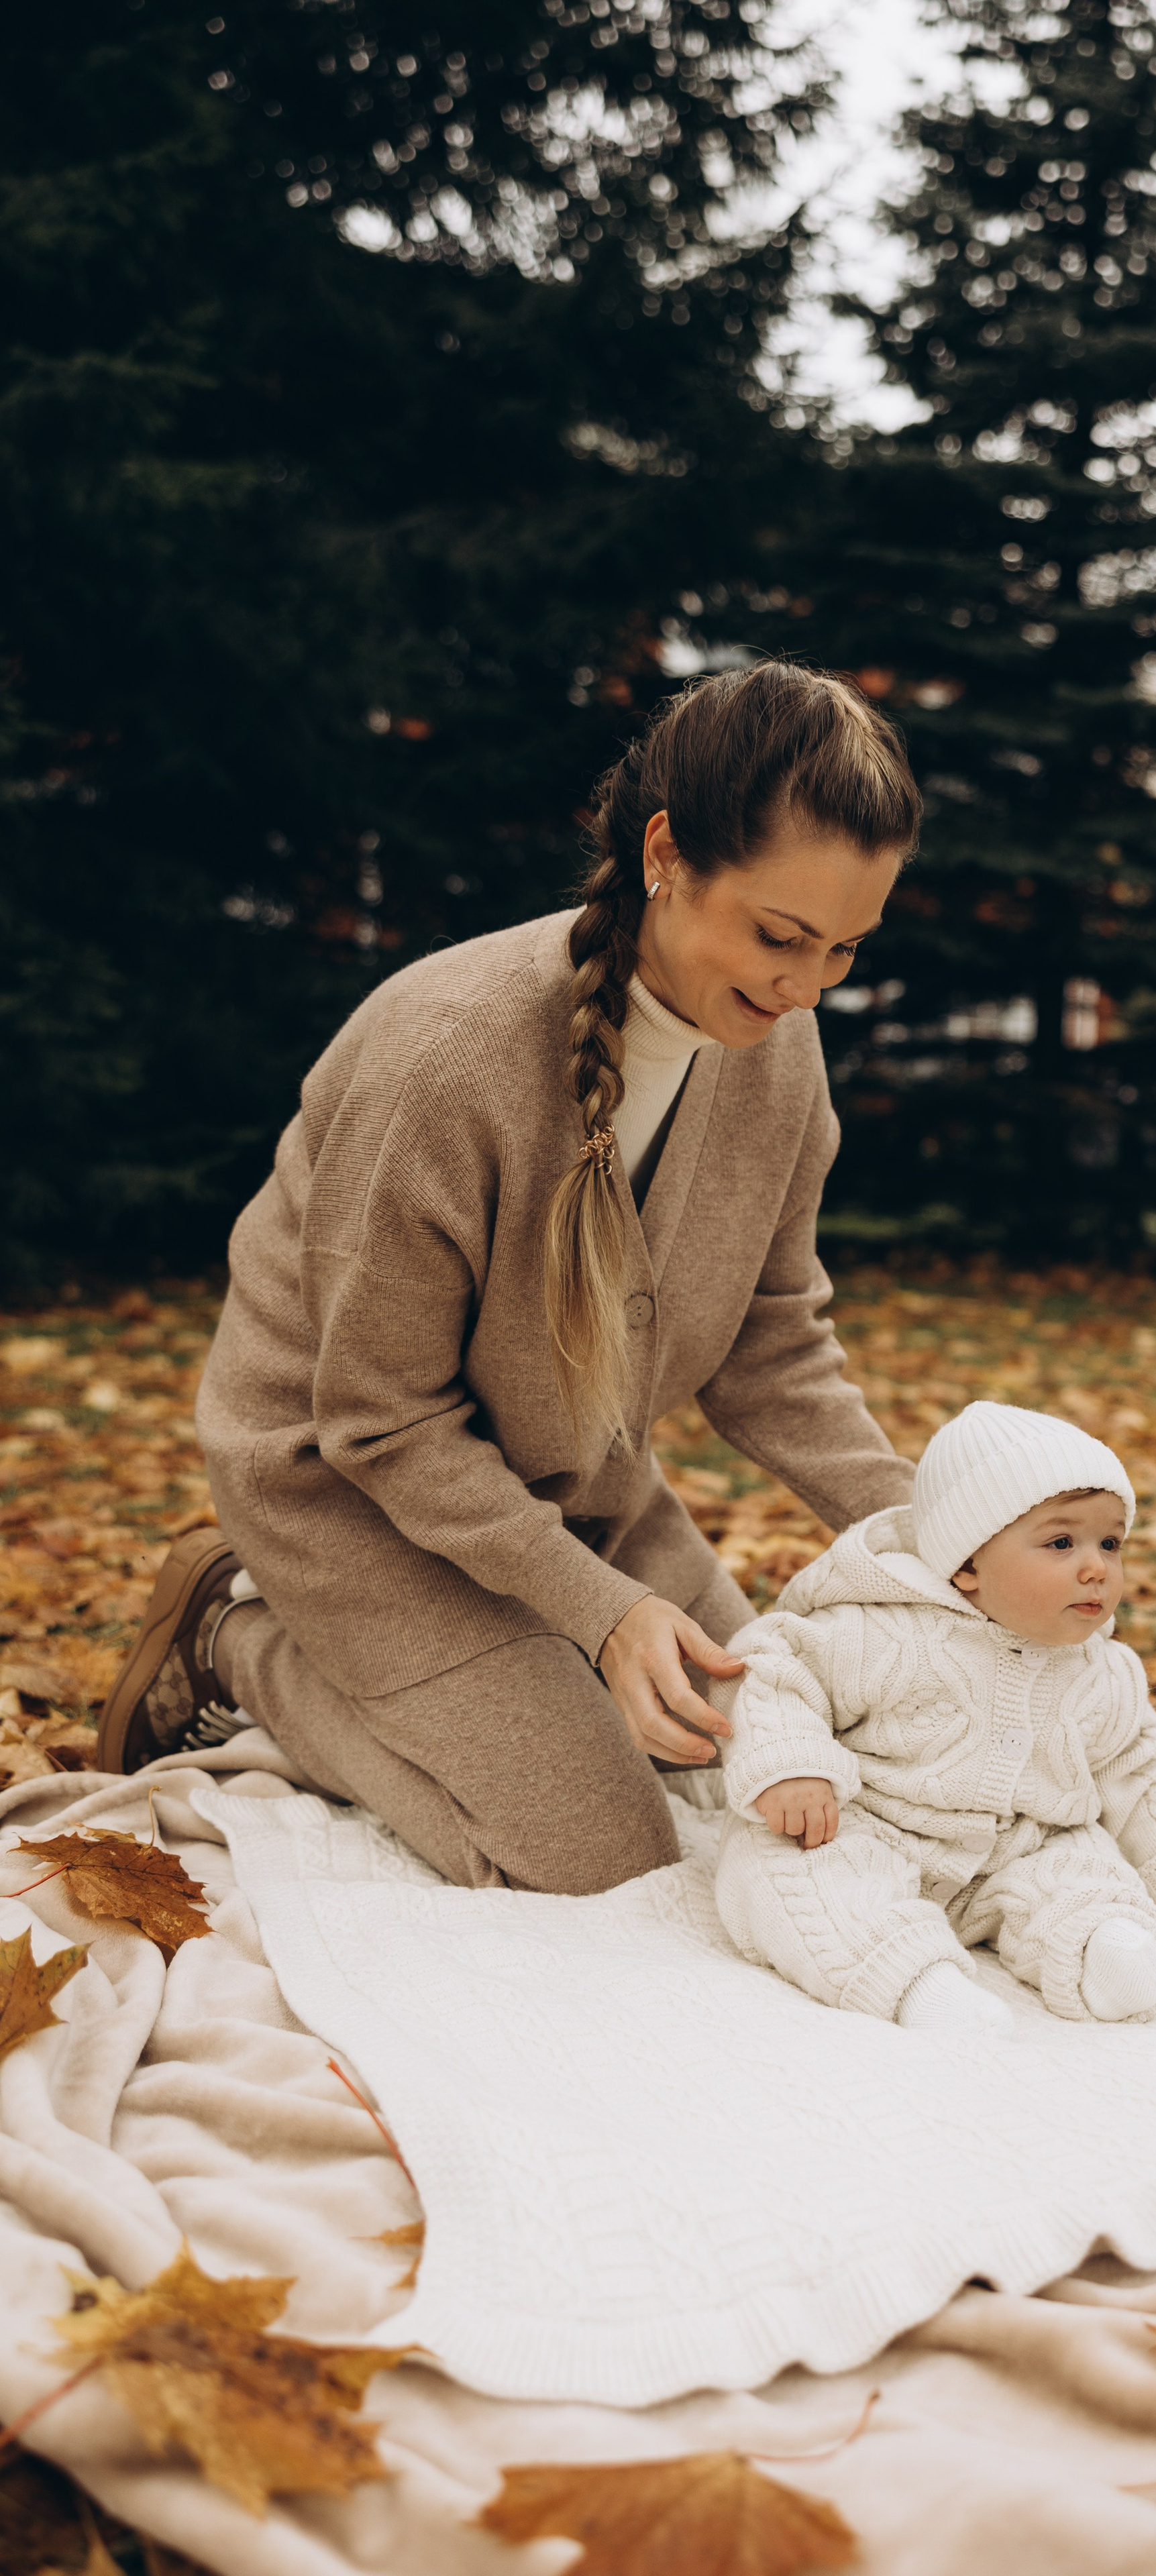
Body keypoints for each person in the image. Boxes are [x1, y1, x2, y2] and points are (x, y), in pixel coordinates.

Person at [97, 662, 923, 1894]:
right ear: (666, 856)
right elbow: (380, 1421)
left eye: (845, 949)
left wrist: (942, 1541)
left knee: (787, 1757)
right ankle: (235, 1638)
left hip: (579, 1481)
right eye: (779, 936)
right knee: (594, 1850)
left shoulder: (778, 1048)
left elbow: (773, 1344)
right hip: (348, 1495)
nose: (807, 988)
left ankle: (521, 1656)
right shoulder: (445, 1058)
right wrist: (601, 1613)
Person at [713, 1401, 1156, 2034]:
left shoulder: (1102, 1671)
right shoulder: (880, 1631)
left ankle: (1102, 1948)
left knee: (1082, 1873)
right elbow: (771, 1668)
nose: (1097, 1567)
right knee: (797, 1876)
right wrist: (791, 1765)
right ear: (967, 1565)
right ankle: (916, 1983)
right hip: (869, 1829)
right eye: (1061, 1543)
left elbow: (1135, 1773)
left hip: (1019, 1847)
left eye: (1110, 1543)